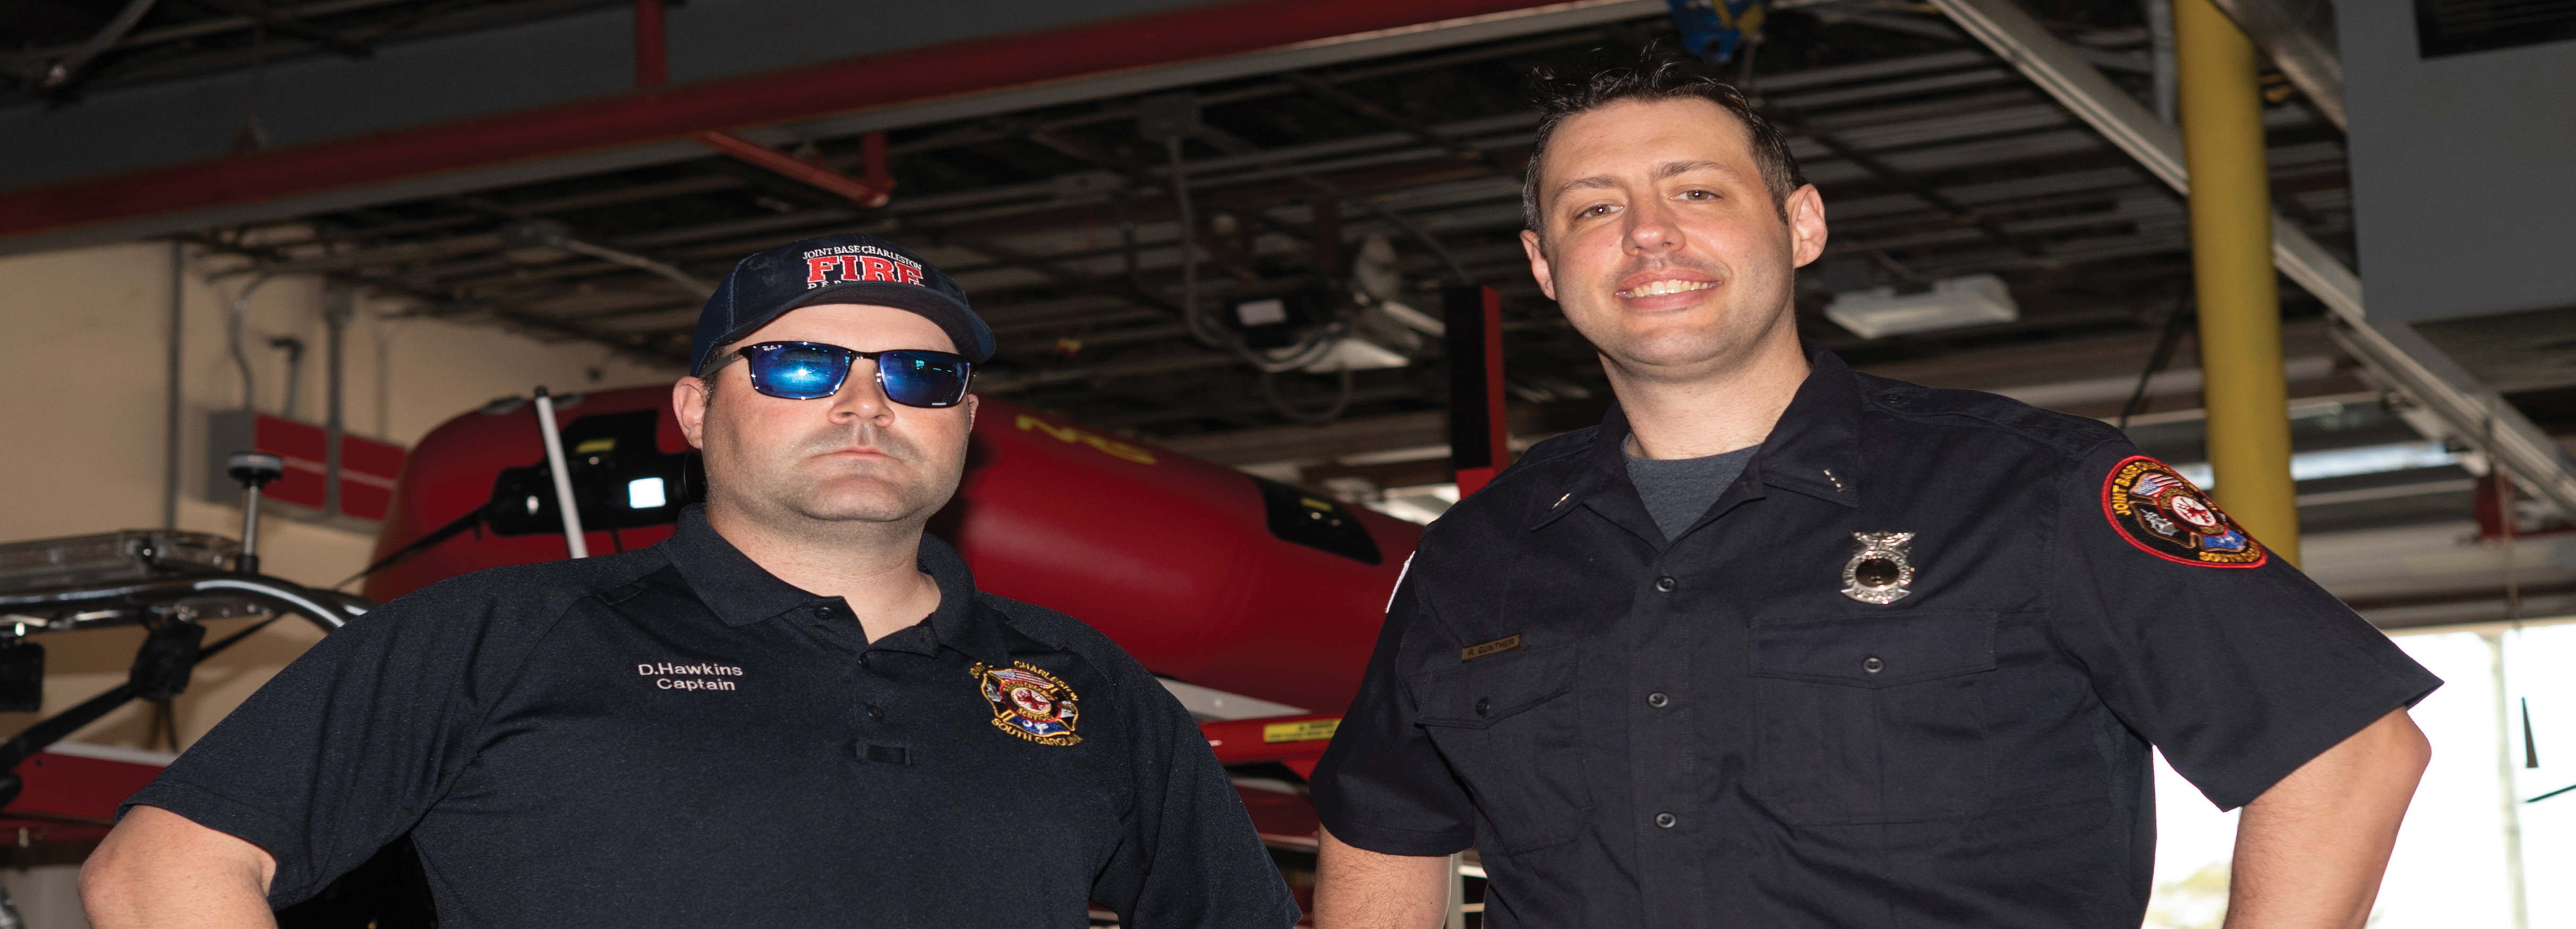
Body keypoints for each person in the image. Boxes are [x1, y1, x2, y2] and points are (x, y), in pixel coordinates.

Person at [1307, 58, 2437, 928]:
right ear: (1544, 265)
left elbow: (2345, 751)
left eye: (1696, 190)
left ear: (1801, 224)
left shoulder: (2033, 487)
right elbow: (1381, 829)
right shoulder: (1477, 554)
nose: (1648, 233)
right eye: (1592, 208)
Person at [80, 233, 1301, 929]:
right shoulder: (499, 633)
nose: (866, 403)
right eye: (800, 367)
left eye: (918, 377)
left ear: (966, 426)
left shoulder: (1085, 682)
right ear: (694, 410)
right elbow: (160, 871)